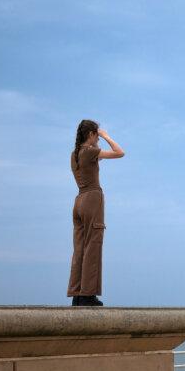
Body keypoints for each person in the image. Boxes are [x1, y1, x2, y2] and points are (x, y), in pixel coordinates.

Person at [67, 120, 124, 306]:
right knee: (93, 245)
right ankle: (88, 295)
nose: (98, 138)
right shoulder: (90, 152)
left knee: (80, 248)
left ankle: (77, 293)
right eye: (96, 135)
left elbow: (96, 159)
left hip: (79, 201)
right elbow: (119, 152)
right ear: (91, 133)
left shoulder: (75, 155)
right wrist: (106, 136)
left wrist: (96, 141)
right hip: (92, 198)